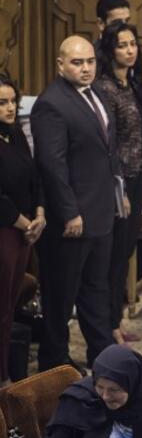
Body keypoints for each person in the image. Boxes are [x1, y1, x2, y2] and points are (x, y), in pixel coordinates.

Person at [32, 35, 119, 371]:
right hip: (72, 219)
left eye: (90, 62)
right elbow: (52, 165)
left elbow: (104, 152)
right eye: (77, 63)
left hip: (100, 214)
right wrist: (70, 212)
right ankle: (53, 365)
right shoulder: (51, 103)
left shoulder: (96, 94)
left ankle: (103, 358)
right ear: (60, 65)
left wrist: (117, 193)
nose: (85, 69)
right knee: (61, 298)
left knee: (97, 291)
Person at [95, 21, 142, 346]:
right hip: (117, 181)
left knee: (125, 251)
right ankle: (108, 327)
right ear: (110, 49)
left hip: (136, 177)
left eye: (133, 43)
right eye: (122, 45)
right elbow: (108, 142)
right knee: (114, 255)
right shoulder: (105, 87)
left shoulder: (131, 82)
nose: (129, 50)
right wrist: (119, 188)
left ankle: (114, 322)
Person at [0, 74, 44, 389]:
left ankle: (6, 373)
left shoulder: (15, 134)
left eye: (13, 101)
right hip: (5, 231)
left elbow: (34, 176)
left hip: (24, 232)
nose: (10, 108)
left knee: (11, 307)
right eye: (2, 103)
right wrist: (24, 222)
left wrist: (39, 213)